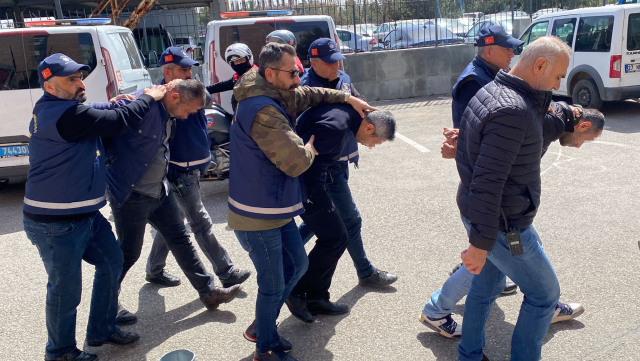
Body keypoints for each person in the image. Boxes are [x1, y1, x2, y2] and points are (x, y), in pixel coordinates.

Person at [229, 42, 374, 361]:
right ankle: (264, 348)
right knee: (273, 282)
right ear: (270, 74)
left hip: (275, 203)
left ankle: (263, 328)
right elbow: (295, 161)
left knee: (297, 263)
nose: (299, 76)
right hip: (257, 211)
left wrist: (346, 96)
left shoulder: (276, 92)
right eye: (293, 72)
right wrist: (310, 148)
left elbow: (309, 94)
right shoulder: (262, 109)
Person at [23, 53, 166, 361]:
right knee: (65, 291)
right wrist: (149, 96)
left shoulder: (57, 108)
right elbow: (118, 121)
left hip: (84, 214)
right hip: (55, 221)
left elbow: (93, 110)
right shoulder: (67, 117)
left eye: (80, 77)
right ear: (49, 84)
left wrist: (115, 100)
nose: (80, 84)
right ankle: (59, 352)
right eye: (71, 79)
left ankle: (101, 329)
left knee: (112, 261)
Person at [422, 101, 603, 338]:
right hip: (496, 213)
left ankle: (547, 305)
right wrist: (462, 150)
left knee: (509, 256)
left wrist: (465, 141)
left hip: (496, 209)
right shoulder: (544, 120)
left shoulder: (548, 117)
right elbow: (496, 163)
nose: (579, 146)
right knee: (489, 263)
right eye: (585, 139)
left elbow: (495, 133)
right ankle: (438, 311)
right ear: (583, 125)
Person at [455, 36, 572, 361]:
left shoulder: (494, 90)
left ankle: (469, 354)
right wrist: (480, 244)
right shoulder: (513, 110)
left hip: (487, 218)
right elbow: (489, 182)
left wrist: (567, 116)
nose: (558, 83)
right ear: (539, 65)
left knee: (487, 285)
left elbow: (473, 160)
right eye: (558, 76)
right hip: (504, 226)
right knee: (544, 293)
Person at [103, 79, 242, 326]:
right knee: (127, 252)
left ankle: (209, 293)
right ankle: (107, 304)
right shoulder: (141, 105)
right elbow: (102, 115)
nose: (188, 116)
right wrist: (118, 100)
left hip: (159, 189)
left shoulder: (169, 110)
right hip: (131, 193)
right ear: (175, 97)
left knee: (180, 239)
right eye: (189, 110)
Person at [143, 47, 251, 289]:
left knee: (174, 222)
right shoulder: (159, 98)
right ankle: (226, 271)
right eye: (183, 69)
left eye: (190, 68)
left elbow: (207, 103)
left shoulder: (194, 88)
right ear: (167, 71)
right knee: (200, 222)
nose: (189, 72)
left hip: (195, 168)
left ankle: (154, 269)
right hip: (178, 171)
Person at [298, 38, 398, 288]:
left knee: (322, 220)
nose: (336, 66)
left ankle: (286, 256)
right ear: (314, 63)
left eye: (338, 60)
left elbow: (356, 101)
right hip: (323, 166)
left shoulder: (342, 77)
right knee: (349, 220)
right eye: (330, 63)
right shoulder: (304, 88)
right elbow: (304, 127)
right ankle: (364, 271)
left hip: (342, 161)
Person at [289, 105, 397, 320]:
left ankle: (316, 297)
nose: (372, 146)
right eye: (376, 141)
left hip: (310, 183)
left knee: (338, 235)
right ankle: (298, 291)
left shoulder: (344, 116)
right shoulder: (335, 128)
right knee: (336, 237)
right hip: (304, 186)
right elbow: (307, 167)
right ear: (368, 128)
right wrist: (316, 200)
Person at [206, 43, 257, 112]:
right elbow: (224, 85)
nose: (238, 64)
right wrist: (203, 90)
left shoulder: (254, 76)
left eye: (241, 60)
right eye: (235, 62)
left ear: (249, 58)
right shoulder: (240, 77)